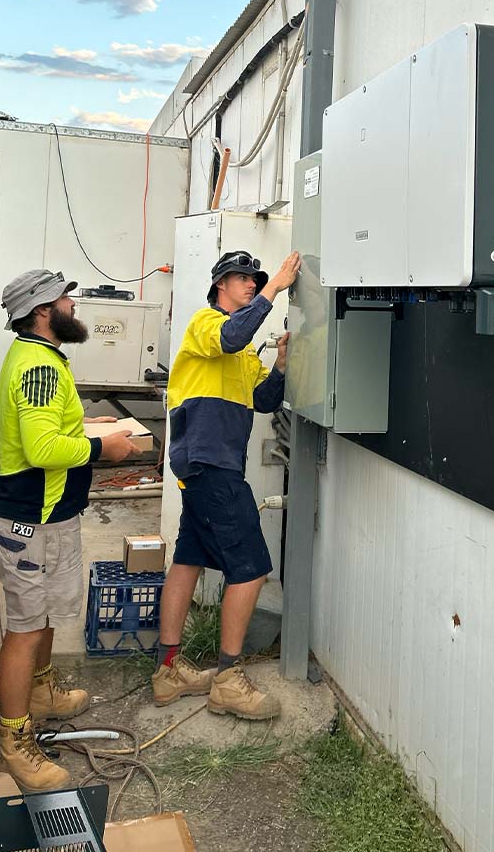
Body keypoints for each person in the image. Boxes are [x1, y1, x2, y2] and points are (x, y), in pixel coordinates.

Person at [0, 269, 135, 791]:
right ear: (41, 311)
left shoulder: (45, 358)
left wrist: (95, 429)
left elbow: (57, 431)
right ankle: (14, 739)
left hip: (52, 517)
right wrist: (105, 448)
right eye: (63, 298)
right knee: (25, 629)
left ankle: (41, 692)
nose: (73, 303)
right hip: (33, 521)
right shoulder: (38, 368)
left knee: (47, 614)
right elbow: (41, 451)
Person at [152, 249, 301, 719]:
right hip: (209, 464)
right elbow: (233, 336)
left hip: (208, 468)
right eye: (243, 279)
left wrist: (280, 364)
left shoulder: (239, 351)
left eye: (256, 280)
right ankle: (228, 679)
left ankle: (168, 669)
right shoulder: (206, 324)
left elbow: (263, 401)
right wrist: (276, 287)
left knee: (189, 560)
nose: (252, 285)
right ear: (220, 285)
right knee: (252, 568)